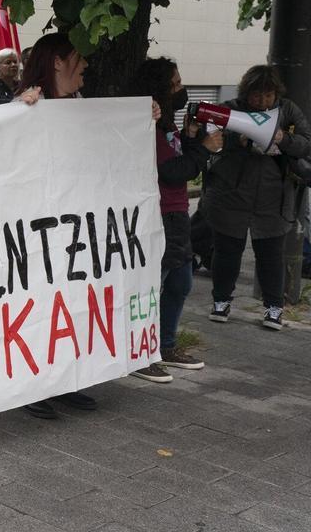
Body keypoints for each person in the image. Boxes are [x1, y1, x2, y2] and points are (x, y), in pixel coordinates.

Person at [15, 33, 99, 419]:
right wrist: (21, 112)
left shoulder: (80, 106)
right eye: (77, 58)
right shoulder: (29, 106)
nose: (84, 66)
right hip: (36, 231)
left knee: (70, 305)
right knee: (37, 308)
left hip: (73, 230)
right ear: (57, 63)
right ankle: (31, 385)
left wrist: (141, 117)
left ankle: (64, 380)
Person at [128, 58, 223, 383]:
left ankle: (165, 345)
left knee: (180, 283)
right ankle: (140, 353)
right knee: (154, 286)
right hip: (161, 213)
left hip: (176, 212)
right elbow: (171, 171)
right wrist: (204, 150)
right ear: (161, 89)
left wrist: (192, 138)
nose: (182, 90)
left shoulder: (165, 124)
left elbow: (177, 160)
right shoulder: (148, 125)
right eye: (177, 85)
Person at [202, 65, 311, 329]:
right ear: (245, 92)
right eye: (255, 96)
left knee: (271, 254)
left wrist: (284, 138)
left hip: (273, 197)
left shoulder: (287, 110)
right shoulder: (230, 108)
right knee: (227, 251)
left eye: (267, 96)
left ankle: (274, 307)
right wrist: (234, 142)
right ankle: (221, 301)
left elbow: (306, 142)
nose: (261, 101)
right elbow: (209, 137)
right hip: (231, 194)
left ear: (276, 94)